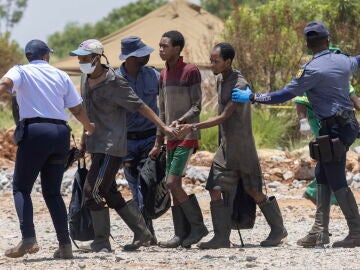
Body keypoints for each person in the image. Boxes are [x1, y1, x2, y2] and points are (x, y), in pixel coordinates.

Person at [232, 21, 360, 248]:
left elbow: (283, 95)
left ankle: (356, 231)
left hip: (333, 128)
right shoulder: (344, 60)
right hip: (347, 124)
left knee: (336, 177)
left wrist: (253, 97)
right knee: (322, 173)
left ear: (308, 44)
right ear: (328, 39)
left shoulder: (311, 69)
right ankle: (320, 231)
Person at [70, 39, 176, 252]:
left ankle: (101, 241)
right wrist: (83, 141)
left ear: (97, 58)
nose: (80, 61)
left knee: (92, 192)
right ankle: (143, 232)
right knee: (109, 191)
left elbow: (140, 106)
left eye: (84, 58)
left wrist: (163, 128)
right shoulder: (84, 78)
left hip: (112, 145)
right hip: (95, 144)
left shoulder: (114, 81)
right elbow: (86, 113)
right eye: (79, 58)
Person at [178, 43, 287, 248]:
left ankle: (278, 229)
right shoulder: (220, 79)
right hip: (226, 148)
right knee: (215, 187)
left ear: (228, 61)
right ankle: (221, 237)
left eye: (215, 61)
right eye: (210, 60)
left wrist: (192, 127)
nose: (212, 65)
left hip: (243, 149)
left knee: (253, 191)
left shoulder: (240, 84)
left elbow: (223, 116)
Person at [1, 39, 94, 259]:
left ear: (29, 56)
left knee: (21, 188)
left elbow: (5, 83)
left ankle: (28, 238)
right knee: (52, 192)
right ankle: (65, 245)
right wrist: (89, 127)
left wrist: (6, 88)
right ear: (45, 56)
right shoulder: (60, 74)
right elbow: (77, 107)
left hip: (35, 132)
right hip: (60, 133)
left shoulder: (20, 70)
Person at [150, 30, 208, 248]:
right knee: (174, 185)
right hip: (170, 137)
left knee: (172, 182)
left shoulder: (191, 71)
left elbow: (197, 106)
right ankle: (180, 234)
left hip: (187, 135)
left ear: (177, 48)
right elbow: (162, 112)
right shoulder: (163, 74)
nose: (161, 50)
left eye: (165, 46)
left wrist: (180, 121)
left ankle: (198, 227)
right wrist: (158, 142)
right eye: (160, 46)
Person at [295, 48, 360, 205]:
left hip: (340, 123)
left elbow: (355, 101)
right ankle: (325, 195)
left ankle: (318, 196)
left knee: (332, 157)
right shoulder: (312, 72)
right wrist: (302, 121)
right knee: (331, 155)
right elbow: (300, 99)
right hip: (319, 121)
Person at [116, 36, 159, 243]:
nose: (149, 56)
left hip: (151, 138)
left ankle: (144, 233)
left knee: (147, 185)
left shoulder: (153, 75)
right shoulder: (115, 79)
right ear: (132, 57)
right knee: (135, 186)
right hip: (127, 142)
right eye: (143, 53)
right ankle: (145, 232)